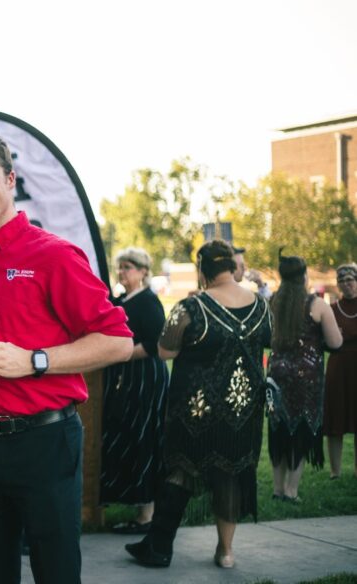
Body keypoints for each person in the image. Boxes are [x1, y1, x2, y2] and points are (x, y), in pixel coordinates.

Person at [0, 132, 133, 584]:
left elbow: (117, 341)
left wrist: (33, 361)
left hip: (45, 438)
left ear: (10, 180)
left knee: (56, 568)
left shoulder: (54, 255)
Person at [126, 240, 272, 570]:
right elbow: (268, 341)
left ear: (202, 270)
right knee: (231, 476)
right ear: (233, 268)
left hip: (196, 409)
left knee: (181, 470)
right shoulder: (262, 307)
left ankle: (159, 547)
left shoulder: (192, 308)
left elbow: (164, 350)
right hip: (243, 410)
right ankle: (226, 552)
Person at [101, 247, 170, 534]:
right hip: (123, 378)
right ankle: (121, 497)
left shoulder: (149, 303)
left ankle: (147, 514)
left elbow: (156, 343)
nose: (122, 272)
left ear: (143, 271)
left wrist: (122, 353)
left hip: (144, 378)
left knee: (144, 436)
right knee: (123, 434)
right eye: (120, 267)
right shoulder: (119, 300)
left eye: (128, 267)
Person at [267, 251, 342, 502]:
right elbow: (335, 341)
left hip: (276, 373)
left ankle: (277, 489)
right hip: (305, 377)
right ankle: (292, 490)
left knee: (278, 429)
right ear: (305, 276)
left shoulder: (273, 302)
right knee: (300, 428)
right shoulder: (316, 304)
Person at [325, 263, 357, 479]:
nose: (347, 284)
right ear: (337, 285)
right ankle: (335, 471)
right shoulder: (332, 310)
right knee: (335, 419)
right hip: (338, 368)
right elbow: (325, 342)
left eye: (351, 279)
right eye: (342, 281)